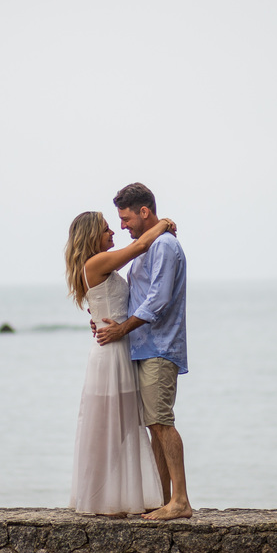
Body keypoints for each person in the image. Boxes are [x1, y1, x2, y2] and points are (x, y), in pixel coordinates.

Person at [64, 210, 176, 516]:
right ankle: (100, 499)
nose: (113, 233)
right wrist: (164, 224)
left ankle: (118, 498)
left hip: (118, 350)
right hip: (110, 354)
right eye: (106, 230)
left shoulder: (98, 265)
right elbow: (139, 247)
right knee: (107, 427)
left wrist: (99, 320)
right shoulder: (97, 262)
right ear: (91, 237)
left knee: (123, 426)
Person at [95, 183, 192, 521]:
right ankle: (162, 499)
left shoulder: (164, 245)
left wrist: (122, 329)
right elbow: (133, 297)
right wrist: (107, 322)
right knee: (155, 424)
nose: (122, 225)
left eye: (125, 218)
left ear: (144, 212)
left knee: (162, 422)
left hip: (159, 346)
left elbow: (159, 299)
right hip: (142, 346)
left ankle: (180, 501)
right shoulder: (146, 248)